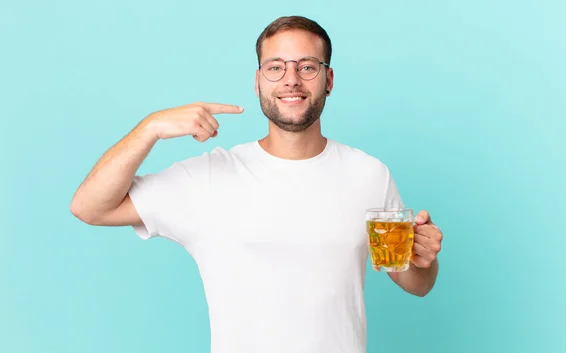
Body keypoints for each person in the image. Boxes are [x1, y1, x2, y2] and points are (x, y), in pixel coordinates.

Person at [71, 15, 443, 353]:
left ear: (329, 80)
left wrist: (422, 260)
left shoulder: (369, 174)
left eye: (307, 67)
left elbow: (414, 282)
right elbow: (90, 207)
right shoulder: (211, 177)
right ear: (257, 81)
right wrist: (149, 128)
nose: (291, 80)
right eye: (276, 67)